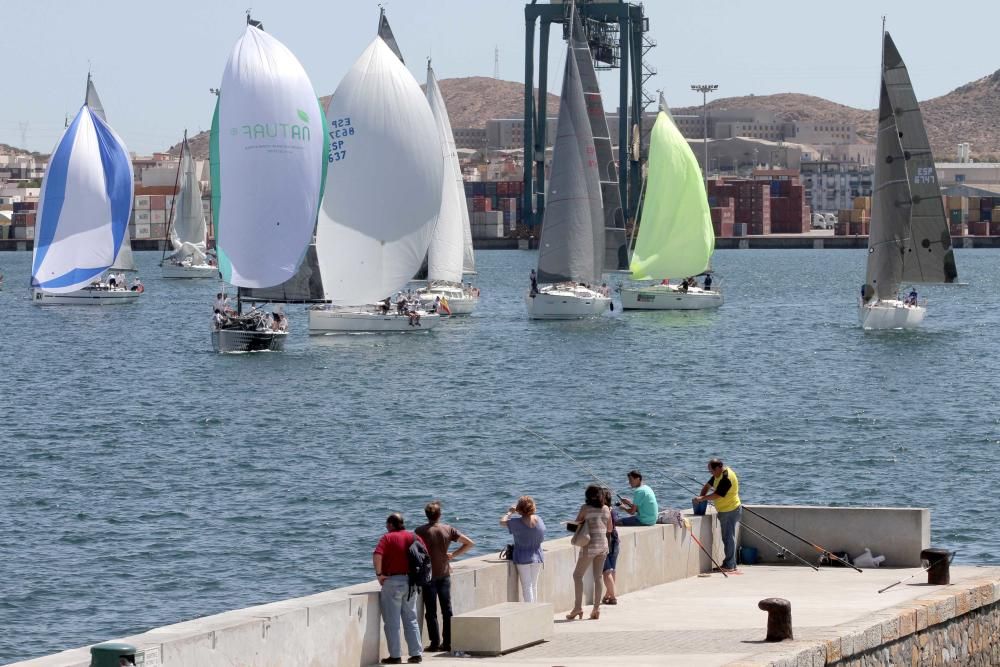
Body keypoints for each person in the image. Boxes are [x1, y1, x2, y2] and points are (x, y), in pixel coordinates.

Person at [415, 501, 474, 654]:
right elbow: (469, 543)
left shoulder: (419, 531)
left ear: (426, 515)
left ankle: (434, 643)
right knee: (447, 610)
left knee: (431, 611)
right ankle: (447, 642)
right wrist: (453, 555)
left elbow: (414, 552)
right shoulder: (448, 529)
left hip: (428, 575)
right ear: (439, 515)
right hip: (444, 573)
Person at [373, 513, 425, 664]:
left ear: (390, 525)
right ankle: (416, 654)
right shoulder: (414, 537)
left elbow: (377, 555)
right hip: (412, 582)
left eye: (387, 524)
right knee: (411, 618)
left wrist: (379, 574)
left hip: (393, 581)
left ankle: (395, 656)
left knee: (392, 621)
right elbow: (424, 555)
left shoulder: (387, 538)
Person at [567, 485, 611, 621]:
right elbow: (609, 529)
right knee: (598, 577)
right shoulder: (606, 509)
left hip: (590, 546)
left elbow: (576, 523)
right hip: (603, 546)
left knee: (577, 575)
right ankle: (596, 609)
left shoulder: (585, 508)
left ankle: (577, 608)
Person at [694, 458, 742, 573]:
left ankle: (729, 565)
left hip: (730, 510)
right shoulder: (717, 475)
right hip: (725, 510)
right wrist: (701, 498)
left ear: (719, 468)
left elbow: (717, 495)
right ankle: (731, 564)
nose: (711, 473)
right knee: (727, 537)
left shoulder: (726, 477)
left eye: (712, 471)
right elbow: (707, 486)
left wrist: (702, 499)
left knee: (728, 538)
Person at [501, 496, 546, 603]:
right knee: (533, 585)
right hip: (537, 555)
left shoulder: (516, 523)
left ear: (519, 509)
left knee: (527, 586)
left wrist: (510, 512)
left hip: (522, 556)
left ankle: (530, 610)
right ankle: (535, 609)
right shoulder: (538, 519)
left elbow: (502, 522)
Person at [600, 488, 619, 605]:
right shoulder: (612, 511)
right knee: (612, 570)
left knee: (606, 571)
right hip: (615, 540)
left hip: (606, 542)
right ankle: (608, 594)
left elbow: (608, 528)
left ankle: (613, 596)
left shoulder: (604, 511)